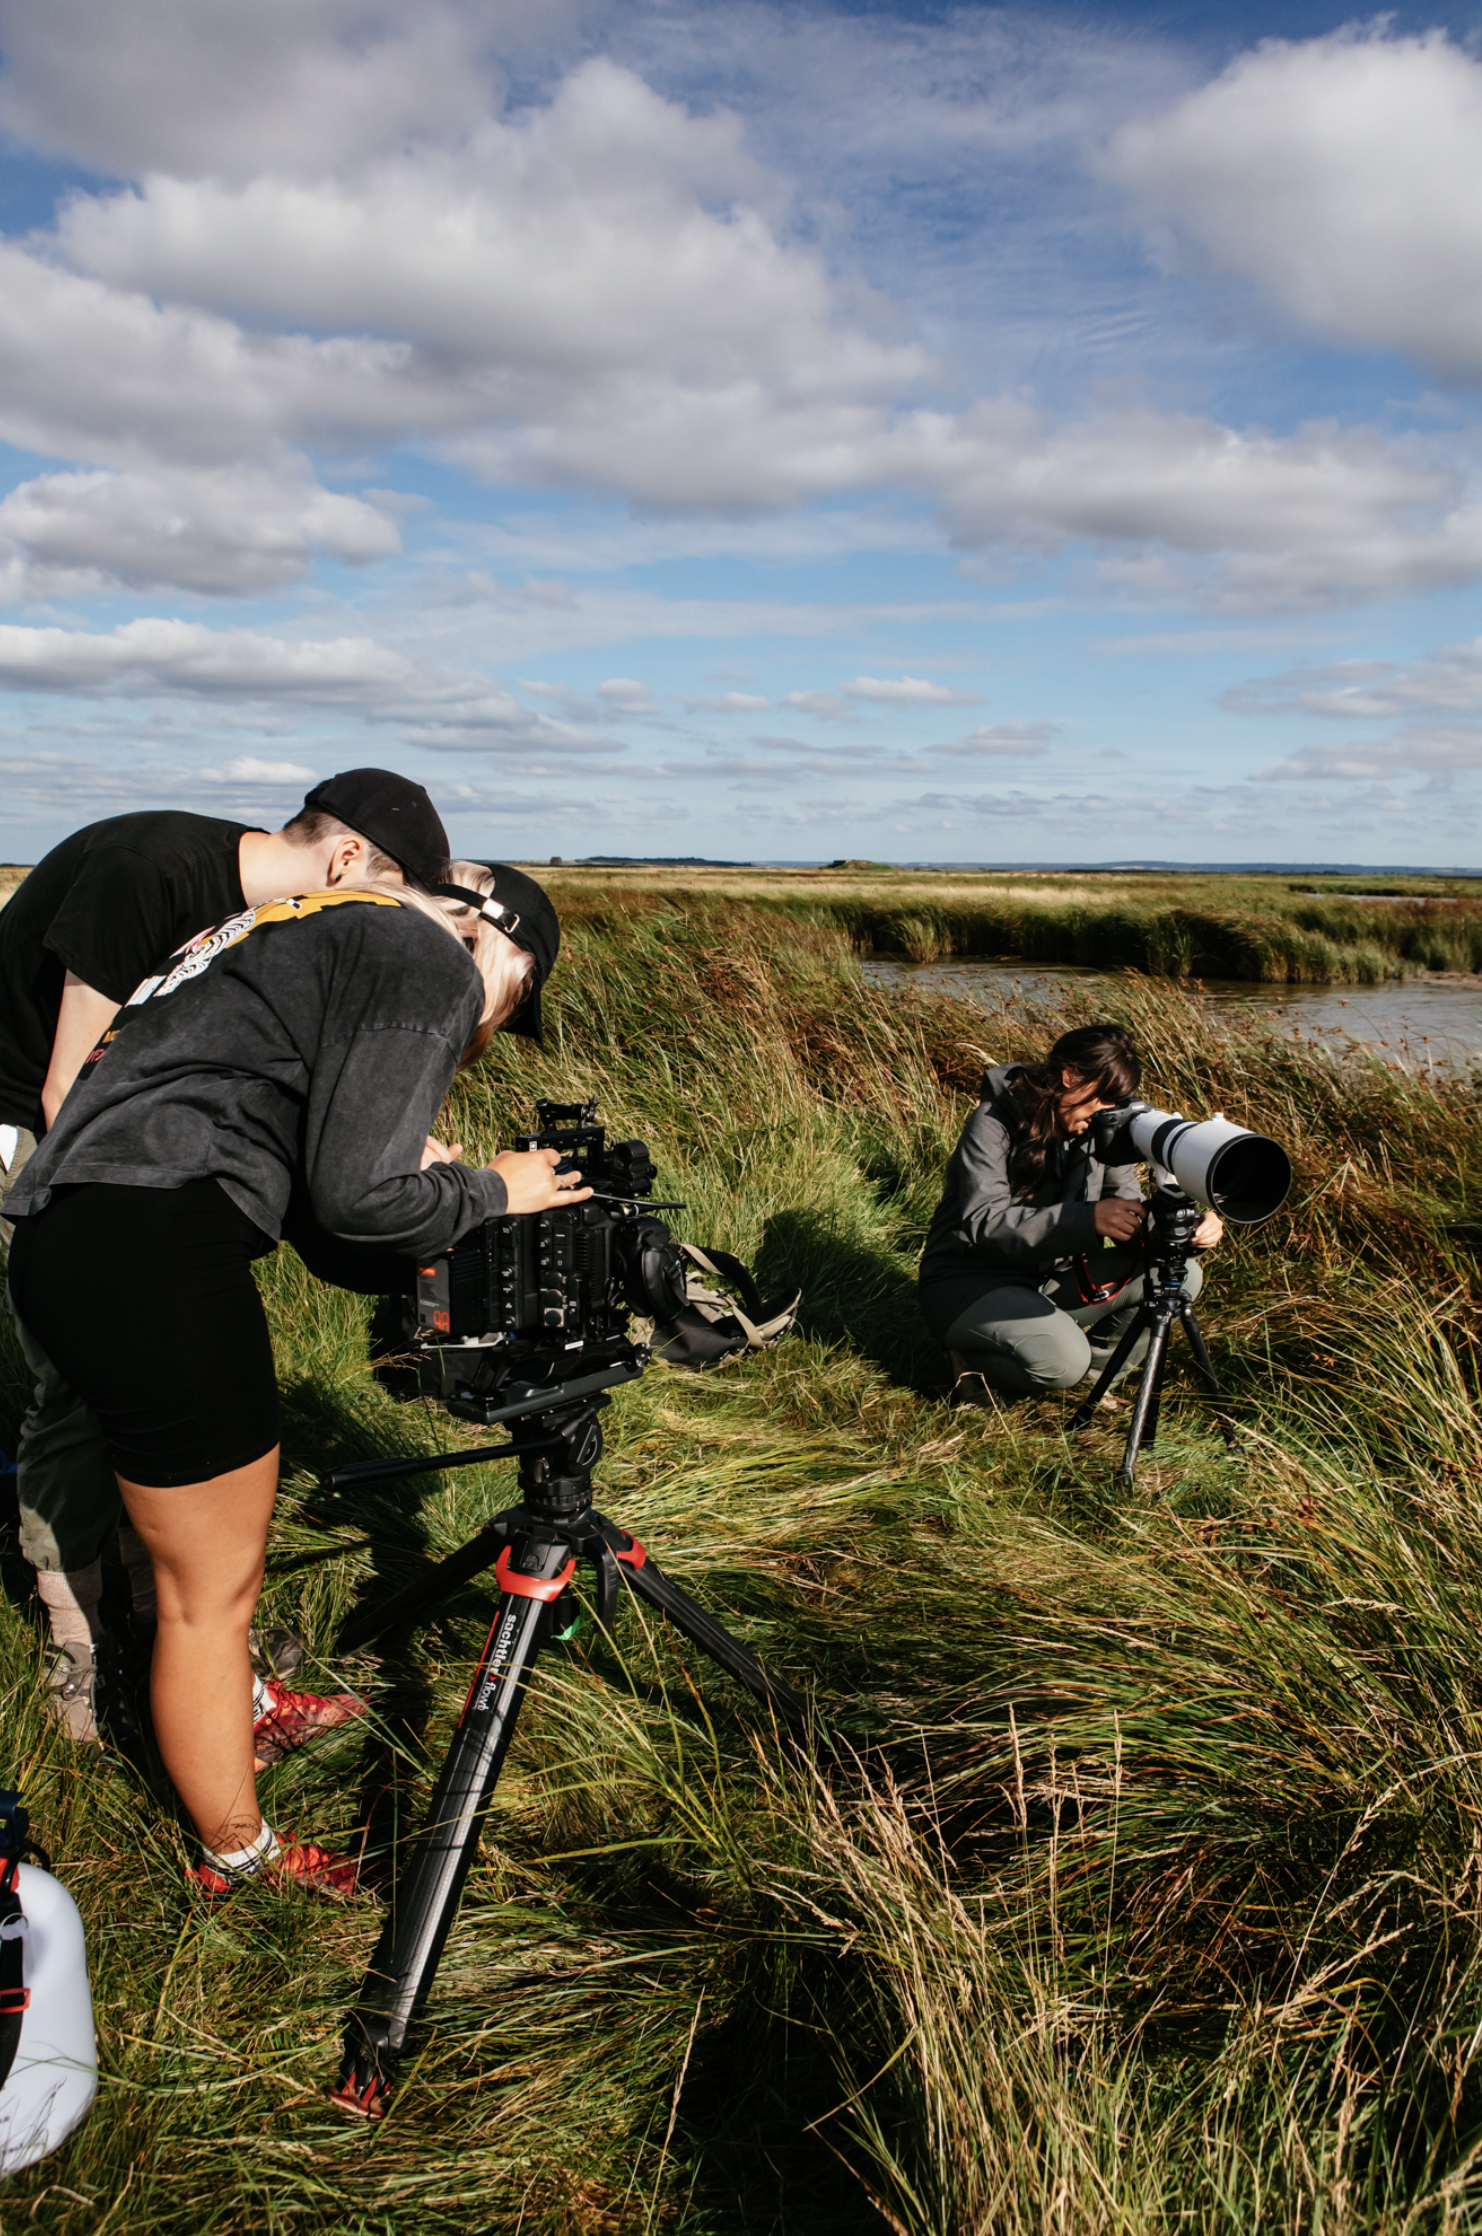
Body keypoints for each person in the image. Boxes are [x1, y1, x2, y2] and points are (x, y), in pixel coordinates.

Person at [3, 858, 582, 1895]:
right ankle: (241, 1855)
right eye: (513, 1001)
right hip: (156, 1251)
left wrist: (428, 1193)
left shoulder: (292, 923)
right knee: (209, 1598)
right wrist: (495, 1187)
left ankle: (232, 1726)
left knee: (194, 1574)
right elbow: (362, 1202)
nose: (487, 1030)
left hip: (71, 1238)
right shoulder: (432, 958)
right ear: (505, 955)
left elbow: (323, 1213)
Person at [0, 769, 450, 1740]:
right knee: (77, 1395)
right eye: (389, 908)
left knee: (152, 1390)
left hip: (111, 1131)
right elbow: (66, 1092)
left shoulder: (268, 920)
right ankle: (79, 1648)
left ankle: (175, 1629)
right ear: (343, 862)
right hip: (32, 1127)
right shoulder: (148, 870)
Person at [917, 1023, 1222, 1399]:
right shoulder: (993, 1121)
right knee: (1062, 1361)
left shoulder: (1101, 1133)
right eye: (1105, 1098)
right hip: (968, 1280)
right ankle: (974, 1362)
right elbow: (985, 1221)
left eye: (1119, 1101)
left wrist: (1184, 1227)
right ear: (1069, 1077)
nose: (1110, 1112)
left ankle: (1090, 1381)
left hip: (1049, 1277)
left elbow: (1134, 1221)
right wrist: (1089, 1218)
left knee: (1181, 1277)